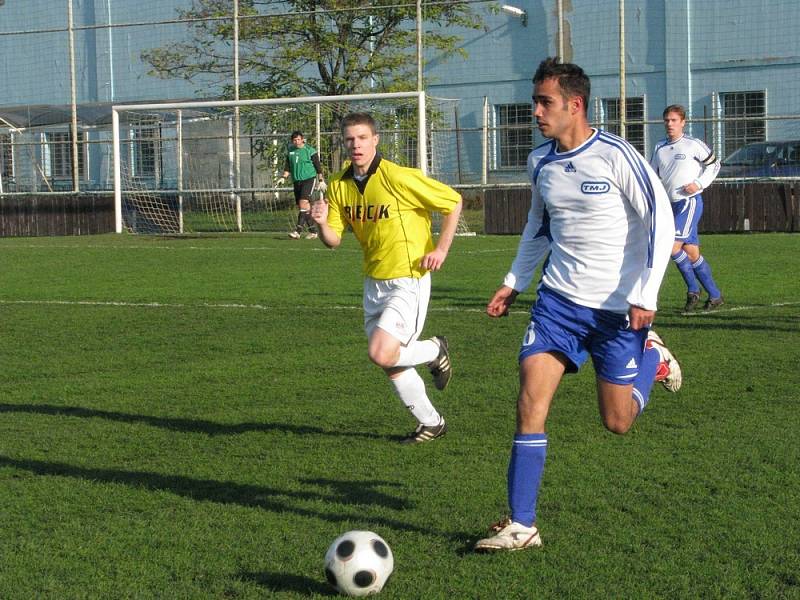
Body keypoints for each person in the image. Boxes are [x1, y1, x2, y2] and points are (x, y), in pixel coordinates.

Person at [474, 57, 681, 552]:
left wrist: (645, 296)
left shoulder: (616, 156)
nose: (536, 112)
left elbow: (661, 222)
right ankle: (522, 526)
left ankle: (652, 356)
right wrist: (513, 282)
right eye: (534, 102)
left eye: (544, 102)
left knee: (618, 422)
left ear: (575, 104)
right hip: (557, 305)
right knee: (529, 402)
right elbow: (538, 228)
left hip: (616, 312)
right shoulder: (540, 162)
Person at [310, 112, 463, 444]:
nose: (356, 145)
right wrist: (321, 222)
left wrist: (442, 249)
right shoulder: (338, 185)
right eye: (350, 139)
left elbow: (453, 203)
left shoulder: (398, 177)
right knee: (390, 362)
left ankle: (435, 350)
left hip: (409, 278)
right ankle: (432, 423)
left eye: (363, 138)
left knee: (381, 352)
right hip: (373, 282)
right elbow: (333, 241)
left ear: (375, 140)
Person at [650, 105, 723, 311]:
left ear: (683, 122)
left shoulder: (693, 144)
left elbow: (715, 165)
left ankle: (693, 291)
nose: (669, 124)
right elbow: (653, 176)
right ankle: (715, 295)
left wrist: (699, 184)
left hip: (688, 202)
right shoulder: (660, 148)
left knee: (672, 247)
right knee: (691, 254)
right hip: (669, 205)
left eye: (674, 120)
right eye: (667, 120)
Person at [279, 131, 326, 239]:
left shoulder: (310, 151)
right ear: (292, 141)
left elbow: (318, 167)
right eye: (294, 140)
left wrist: (321, 180)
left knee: (303, 203)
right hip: (297, 181)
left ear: (302, 139)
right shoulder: (290, 152)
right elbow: (287, 167)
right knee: (305, 207)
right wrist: (283, 177)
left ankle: (297, 231)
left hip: (308, 179)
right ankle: (313, 231)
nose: (297, 142)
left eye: (298, 139)